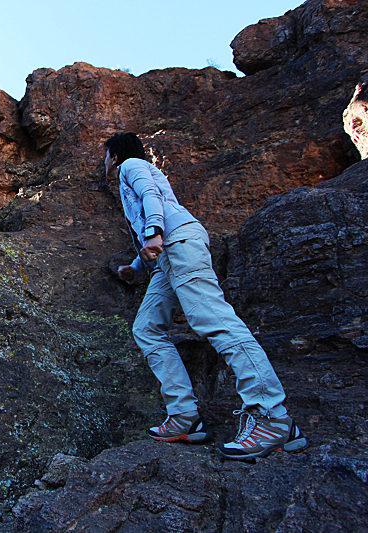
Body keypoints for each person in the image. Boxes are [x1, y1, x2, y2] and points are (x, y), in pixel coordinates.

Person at [104, 132, 307, 460]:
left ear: (113, 156)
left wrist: (154, 233)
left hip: (177, 243)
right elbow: (149, 220)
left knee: (212, 318)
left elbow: (150, 196)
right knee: (147, 327)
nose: (106, 162)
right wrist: (135, 266)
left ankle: (273, 417)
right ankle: (185, 416)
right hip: (166, 259)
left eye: (106, 156)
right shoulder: (132, 172)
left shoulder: (131, 165)